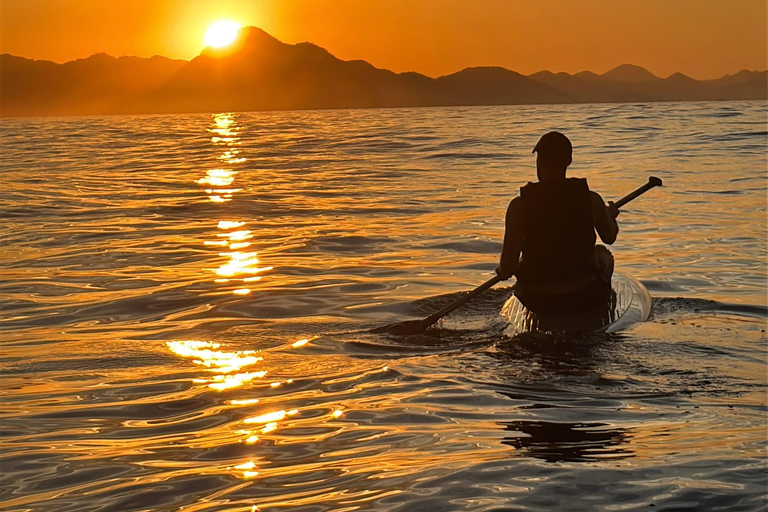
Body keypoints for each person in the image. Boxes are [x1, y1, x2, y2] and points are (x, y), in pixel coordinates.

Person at [496, 131, 619, 315]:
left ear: (539, 163)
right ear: (568, 161)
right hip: (584, 293)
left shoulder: (518, 206)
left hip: (537, 298)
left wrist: (502, 269)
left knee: (523, 265)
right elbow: (609, 237)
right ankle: (603, 307)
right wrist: (609, 217)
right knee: (602, 252)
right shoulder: (592, 200)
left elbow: (508, 267)